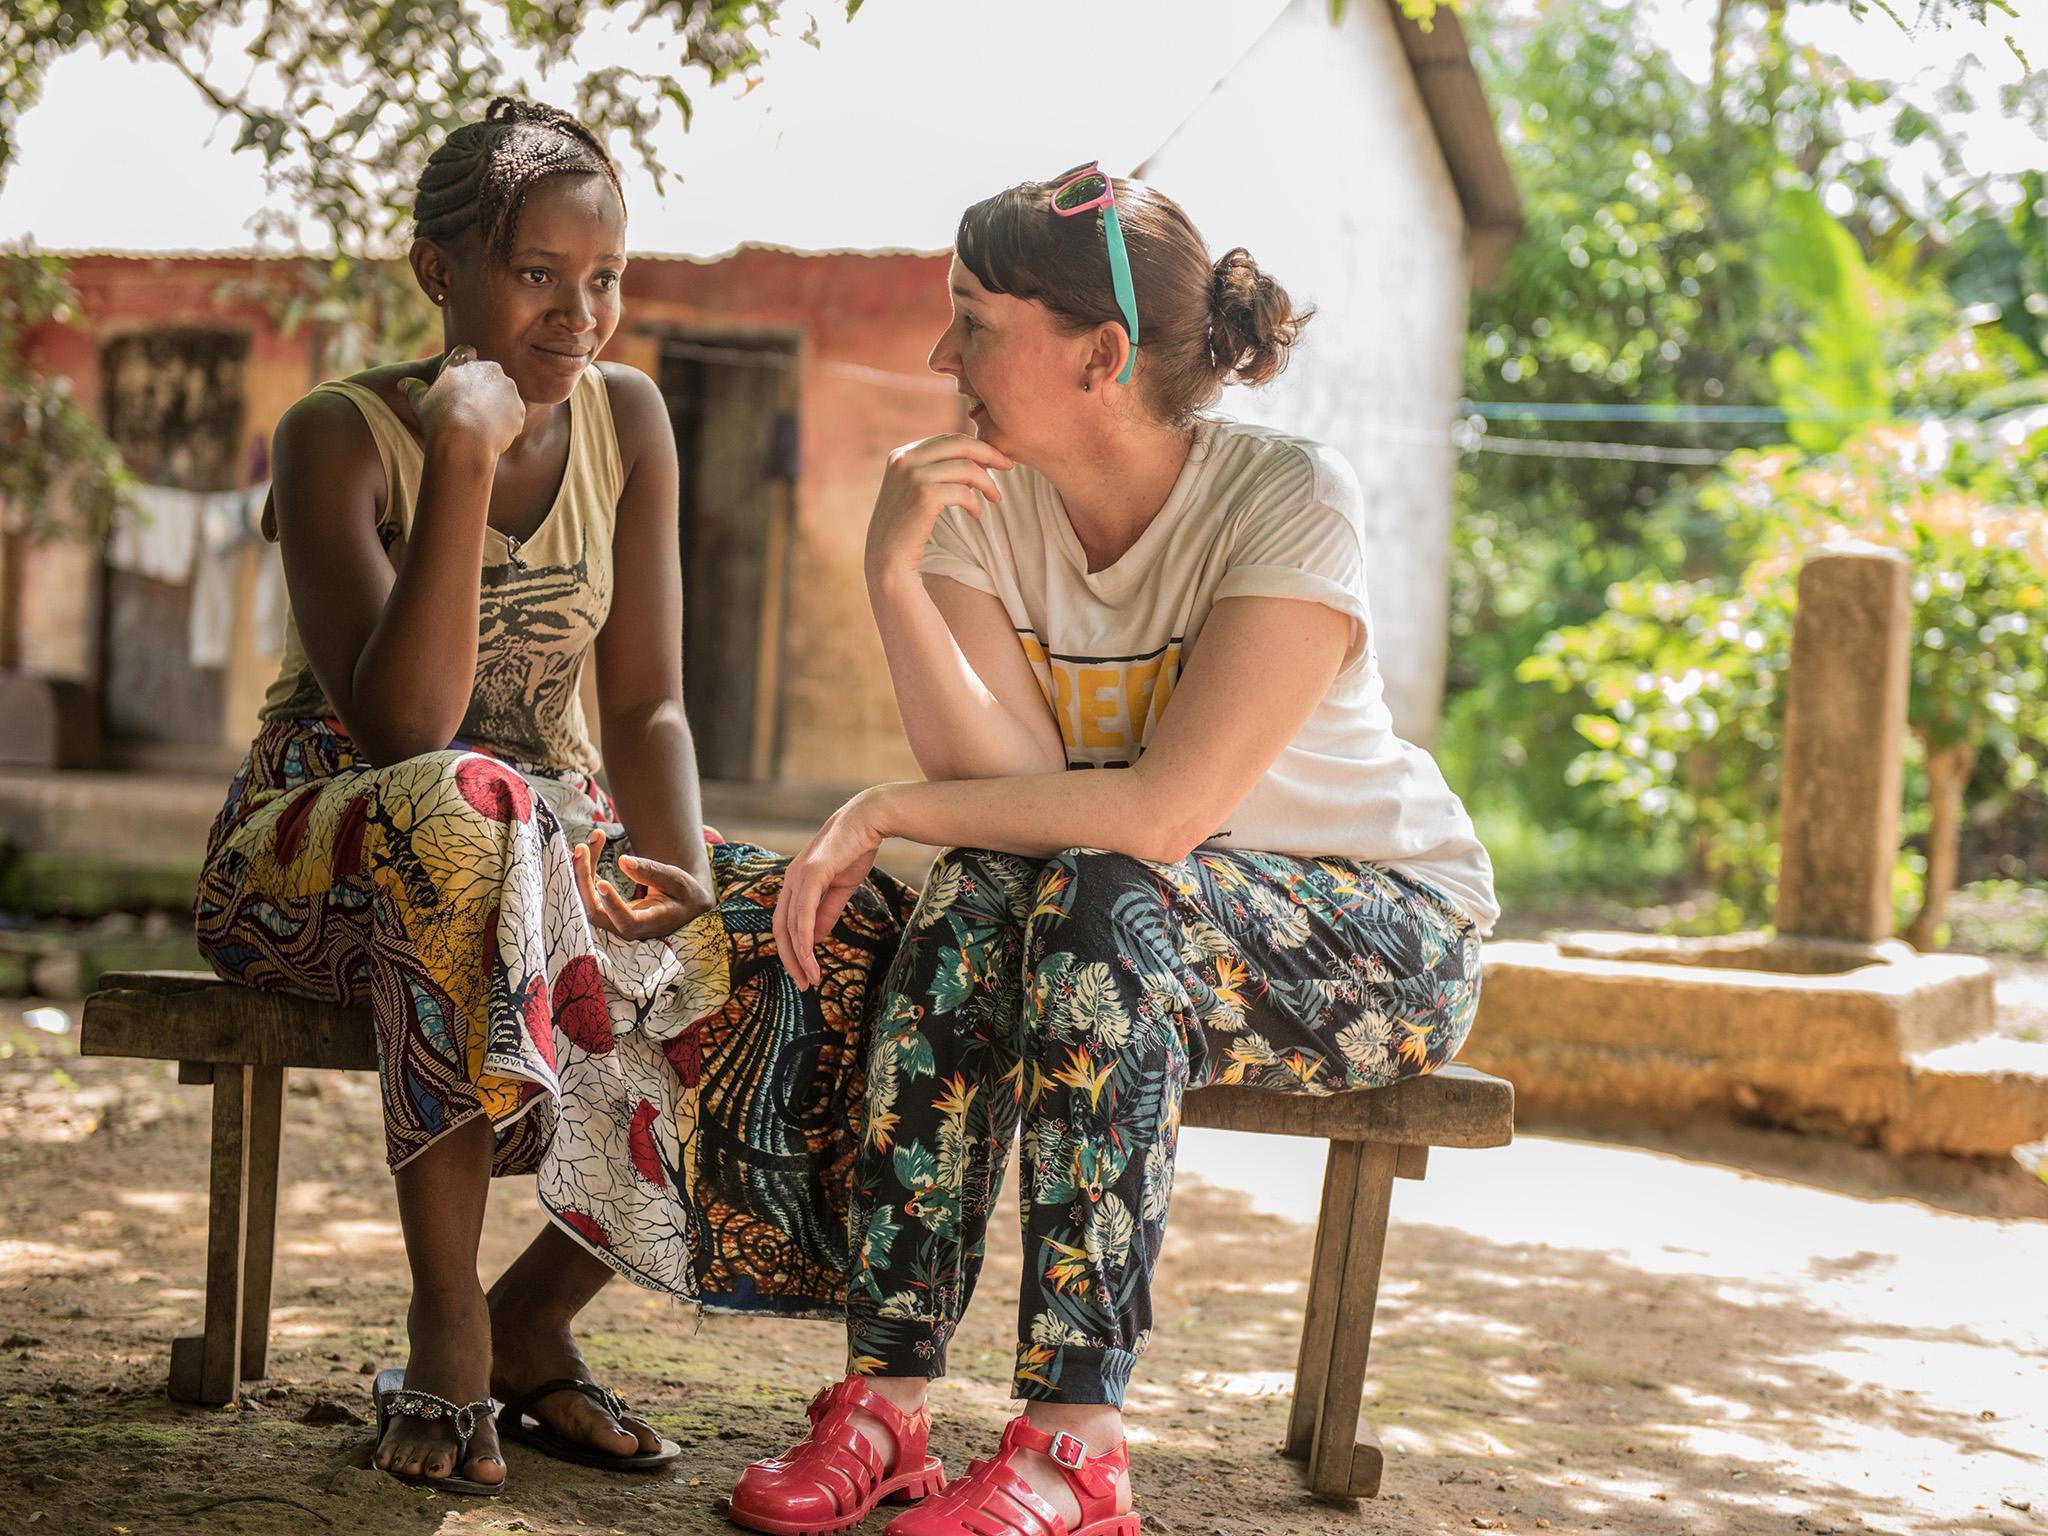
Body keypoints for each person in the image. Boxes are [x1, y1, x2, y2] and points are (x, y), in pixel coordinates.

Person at [725, 164, 1498, 1536]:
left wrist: (881, 808)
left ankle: (1075, 1451)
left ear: (1103, 354)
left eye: (973, 321)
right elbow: (1013, 790)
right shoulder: (981, 508)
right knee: (985, 887)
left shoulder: (1286, 500)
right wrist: (890, 573)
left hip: (1384, 932)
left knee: (1094, 889)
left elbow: (1156, 816)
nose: (937, 354)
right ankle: (889, 1405)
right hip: (1136, 914)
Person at [194, 97, 914, 1496]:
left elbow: (644, 697)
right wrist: (463, 453)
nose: (581, 315)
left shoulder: (629, 417)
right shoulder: (338, 437)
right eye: (539, 275)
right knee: (468, 805)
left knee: (829, 928)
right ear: (438, 272)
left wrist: (680, 865)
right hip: (321, 842)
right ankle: (446, 1324)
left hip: (547, 826)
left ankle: (534, 1322)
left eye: (606, 279)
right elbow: (402, 727)